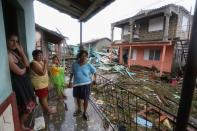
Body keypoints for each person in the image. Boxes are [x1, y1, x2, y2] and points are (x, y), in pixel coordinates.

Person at [7, 34, 36, 131]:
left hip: (24, 83)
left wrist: (22, 52)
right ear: (7, 41)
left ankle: (21, 125)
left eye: (17, 41)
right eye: (12, 40)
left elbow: (27, 64)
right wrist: (24, 69)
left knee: (28, 104)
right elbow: (20, 71)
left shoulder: (15, 53)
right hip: (19, 85)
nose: (15, 43)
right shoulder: (7, 55)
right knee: (27, 106)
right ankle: (21, 126)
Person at [69, 50, 96, 121]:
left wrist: (94, 80)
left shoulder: (88, 65)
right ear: (79, 56)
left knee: (86, 99)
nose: (84, 57)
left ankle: (84, 112)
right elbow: (72, 73)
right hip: (76, 84)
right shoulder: (74, 64)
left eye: (85, 56)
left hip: (86, 84)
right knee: (77, 98)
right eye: (82, 56)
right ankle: (79, 110)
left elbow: (94, 72)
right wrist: (70, 81)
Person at [30, 50, 56, 114]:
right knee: (43, 98)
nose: (41, 56)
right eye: (39, 55)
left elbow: (46, 69)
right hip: (39, 85)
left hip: (43, 84)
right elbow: (42, 73)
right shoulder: (33, 63)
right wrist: (45, 63)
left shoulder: (40, 62)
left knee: (43, 98)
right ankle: (48, 111)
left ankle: (45, 110)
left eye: (41, 55)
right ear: (34, 56)